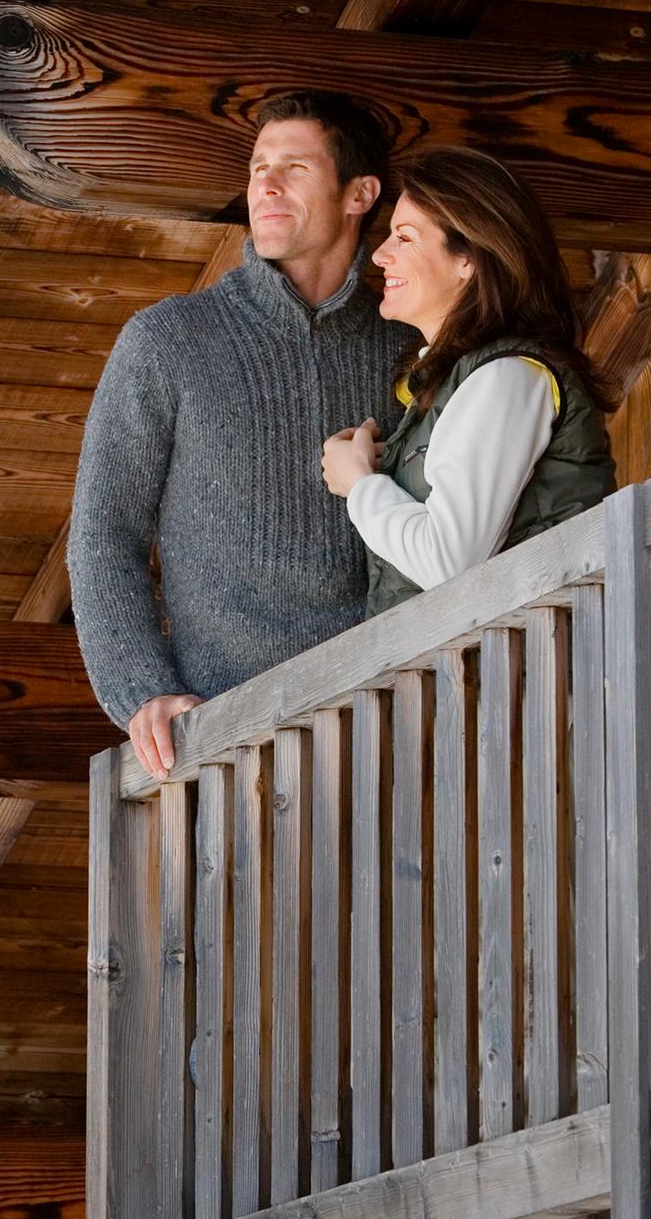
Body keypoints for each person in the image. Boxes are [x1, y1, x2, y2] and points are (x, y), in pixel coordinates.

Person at [69, 91, 413, 780]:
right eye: (258, 166)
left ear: (359, 194)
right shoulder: (168, 341)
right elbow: (103, 534)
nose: (266, 183)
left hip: (389, 730)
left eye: (295, 167)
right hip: (220, 745)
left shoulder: (412, 341)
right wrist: (144, 691)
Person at [321, 146, 616, 615]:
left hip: (520, 674)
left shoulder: (507, 378)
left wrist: (359, 484)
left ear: (469, 259)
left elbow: (449, 563)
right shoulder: (465, 381)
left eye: (405, 237)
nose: (379, 254)